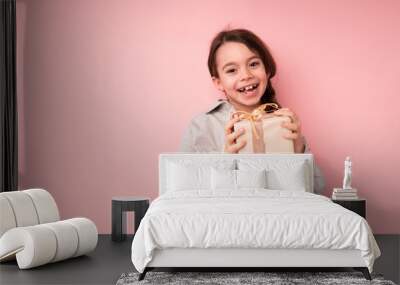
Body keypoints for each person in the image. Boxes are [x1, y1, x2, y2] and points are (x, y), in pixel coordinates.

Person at [180, 28, 325, 193]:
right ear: (218, 82)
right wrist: (225, 159)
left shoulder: (284, 123)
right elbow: (184, 191)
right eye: (232, 70)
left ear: (267, 70)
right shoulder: (202, 126)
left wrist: (299, 148)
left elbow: (316, 190)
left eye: (254, 64)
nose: (246, 75)